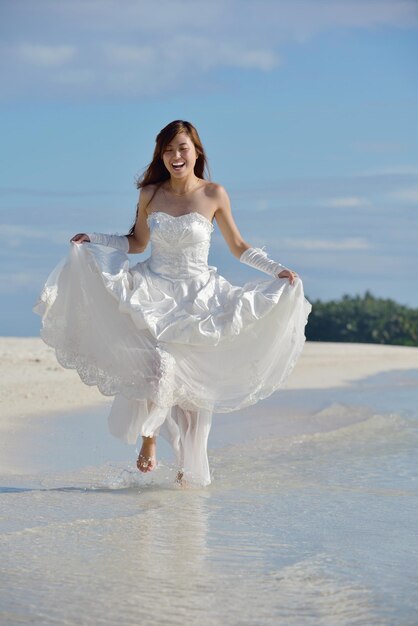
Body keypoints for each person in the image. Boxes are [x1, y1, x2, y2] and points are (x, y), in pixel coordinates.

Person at [34, 120, 311, 486]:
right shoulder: (151, 193)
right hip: (154, 291)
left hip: (200, 298)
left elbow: (239, 247)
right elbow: (136, 242)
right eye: (167, 149)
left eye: (181, 148)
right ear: (161, 155)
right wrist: (95, 239)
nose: (175, 155)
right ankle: (148, 441)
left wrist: (277, 270)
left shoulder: (214, 194)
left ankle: (188, 473)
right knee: (161, 366)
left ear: (196, 152)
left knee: (195, 399)